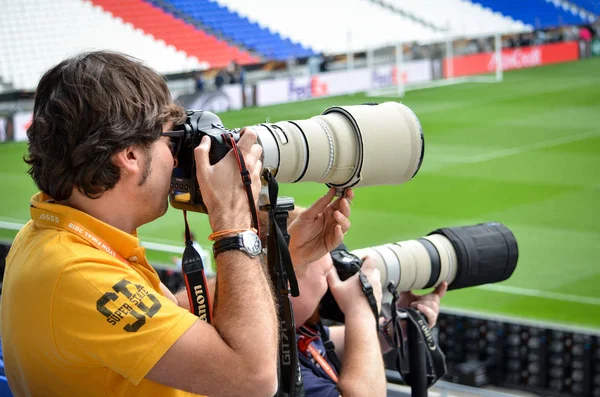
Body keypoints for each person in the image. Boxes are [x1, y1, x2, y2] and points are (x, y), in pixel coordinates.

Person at [0, 50, 352, 397]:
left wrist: (280, 254)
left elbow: (167, 320)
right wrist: (233, 222)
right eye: (172, 140)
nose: (177, 158)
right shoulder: (77, 274)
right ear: (131, 156)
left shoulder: (56, 236)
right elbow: (253, 380)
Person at [292, 249, 447, 397]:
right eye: (326, 275)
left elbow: (327, 345)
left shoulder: (292, 328)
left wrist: (394, 328)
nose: (329, 286)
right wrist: (360, 311)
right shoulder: (280, 367)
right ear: (287, 285)